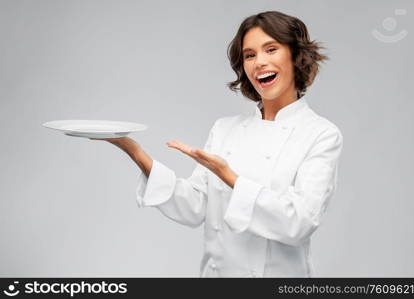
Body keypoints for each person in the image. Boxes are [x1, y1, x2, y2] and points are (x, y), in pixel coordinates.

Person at [90, 11, 343, 277]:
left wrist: (229, 176)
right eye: (250, 55)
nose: (260, 62)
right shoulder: (225, 129)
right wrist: (135, 152)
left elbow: (298, 222)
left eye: (271, 49)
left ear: (296, 55)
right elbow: (195, 207)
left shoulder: (320, 134)